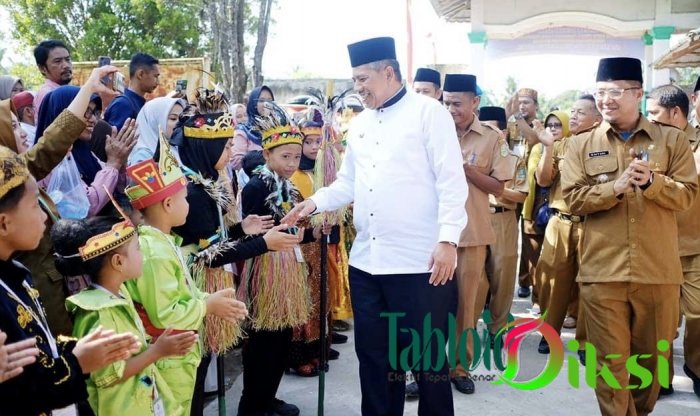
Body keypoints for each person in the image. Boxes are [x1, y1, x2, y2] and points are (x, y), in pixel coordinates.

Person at [283, 36, 467, 416]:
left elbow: (452, 182)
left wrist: (448, 240)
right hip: (368, 264)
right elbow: (349, 183)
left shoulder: (429, 113)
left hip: (421, 265)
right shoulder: (362, 124)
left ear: (389, 72)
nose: (359, 88)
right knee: (376, 362)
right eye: (355, 80)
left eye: (364, 78)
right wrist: (313, 203)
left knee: (428, 364)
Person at [561, 57, 698, 416]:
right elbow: (572, 197)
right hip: (602, 273)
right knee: (609, 366)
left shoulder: (672, 141)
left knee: (651, 368)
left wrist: (653, 183)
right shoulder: (580, 145)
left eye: (617, 91)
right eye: (601, 91)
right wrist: (614, 189)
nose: (606, 99)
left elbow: (687, 196)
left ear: (638, 93)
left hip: (658, 273)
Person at [170, 111, 300, 416]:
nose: (234, 153)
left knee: (201, 364)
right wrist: (264, 243)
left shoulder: (207, 184)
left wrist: (241, 229)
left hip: (207, 283)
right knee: (195, 368)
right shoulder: (193, 191)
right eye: (227, 146)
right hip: (193, 287)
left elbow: (212, 238)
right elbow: (209, 252)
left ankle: (263, 401)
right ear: (208, 147)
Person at [0, 145, 143, 414]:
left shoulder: (16, 271)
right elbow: (19, 390)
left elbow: (37, 348)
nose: (45, 217)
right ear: (4, 223)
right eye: (34, 206)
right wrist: (77, 363)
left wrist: (78, 349)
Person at [124, 132, 248, 412]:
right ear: (168, 205)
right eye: (185, 198)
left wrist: (209, 299)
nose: (189, 205)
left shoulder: (166, 242)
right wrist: (207, 305)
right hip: (167, 357)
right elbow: (165, 313)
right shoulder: (153, 252)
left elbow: (180, 293)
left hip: (178, 355)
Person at [0, 65, 125, 336]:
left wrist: (89, 88)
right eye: (12, 126)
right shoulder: (7, 177)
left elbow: (48, 147)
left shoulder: (15, 172)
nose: (22, 131)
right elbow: (48, 148)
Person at [55, 213, 198, 415]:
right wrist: (157, 351)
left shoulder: (120, 293)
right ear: (118, 262)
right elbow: (110, 375)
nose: (142, 255)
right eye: (138, 249)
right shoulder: (98, 313)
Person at [236, 102, 320, 416]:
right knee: (264, 341)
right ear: (267, 155)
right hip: (265, 272)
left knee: (282, 339)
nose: (291, 163)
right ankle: (252, 405)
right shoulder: (256, 188)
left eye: (296, 157)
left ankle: (267, 398)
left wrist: (314, 233)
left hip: (288, 268)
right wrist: (280, 239)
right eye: (285, 156)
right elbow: (248, 234)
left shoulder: (289, 186)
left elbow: (294, 231)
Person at [442, 74, 512, 395]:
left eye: (457, 103)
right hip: (430, 233)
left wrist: (466, 169)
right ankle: (424, 367)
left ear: (475, 103)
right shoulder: (431, 131)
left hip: (470, 233)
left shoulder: (492, 138)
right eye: (447, 102)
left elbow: (499, 186)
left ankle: (459, 367)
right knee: (425, 304)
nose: (451, 108)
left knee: (465, 305)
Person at [646, 83, 700, 397]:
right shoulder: (648, 142)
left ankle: (695, 367)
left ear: (675, 112)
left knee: (697, 313)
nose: (649, 120)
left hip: (694, 244)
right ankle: (660, 375)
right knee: (660, 319)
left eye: (654, 114)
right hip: (657, 245)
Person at [35, 85, 136, 218]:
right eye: (85, 112)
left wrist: (120, 163)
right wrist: (113, 165)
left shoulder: (84, 151)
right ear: (62, 114)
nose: (93, 120)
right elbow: (87, 206)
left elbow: (119, 190)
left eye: (94, 112)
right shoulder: (50, 160)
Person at [477, 105, 527, 350]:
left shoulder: (515, 160)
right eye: (483, 128)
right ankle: (466, 329)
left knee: (502, 277)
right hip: (475, 217)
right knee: (474, 279)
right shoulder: (471, 157)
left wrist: (492, 186)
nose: (487, 133)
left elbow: (521, 195)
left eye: (493, 128)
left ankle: (497, 329)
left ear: (504, 132)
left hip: (503, 218)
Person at [104, 52, 161, 131]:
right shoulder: (124, 104)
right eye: (155, 76)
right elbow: (115, 141)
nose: (158, 82)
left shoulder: (137, 103)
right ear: (140, 74)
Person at [128, 96, 186, 165]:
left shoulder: (180, 150)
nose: (179, 123)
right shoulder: (142, 157)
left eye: (182, 118)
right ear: (155, 122)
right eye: (173, 118)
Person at [231, 86, 274, 170]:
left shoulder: (278, 128)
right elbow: (235, 162)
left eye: (270, 100)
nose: (266, 104)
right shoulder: (243, 131)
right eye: (261, 100)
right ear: (254, 104)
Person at [33, 39, 72, 116]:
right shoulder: (48, 94)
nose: (66, 65)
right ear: (42, 68)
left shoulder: (63, 91)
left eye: (67, 59)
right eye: (58, 61)